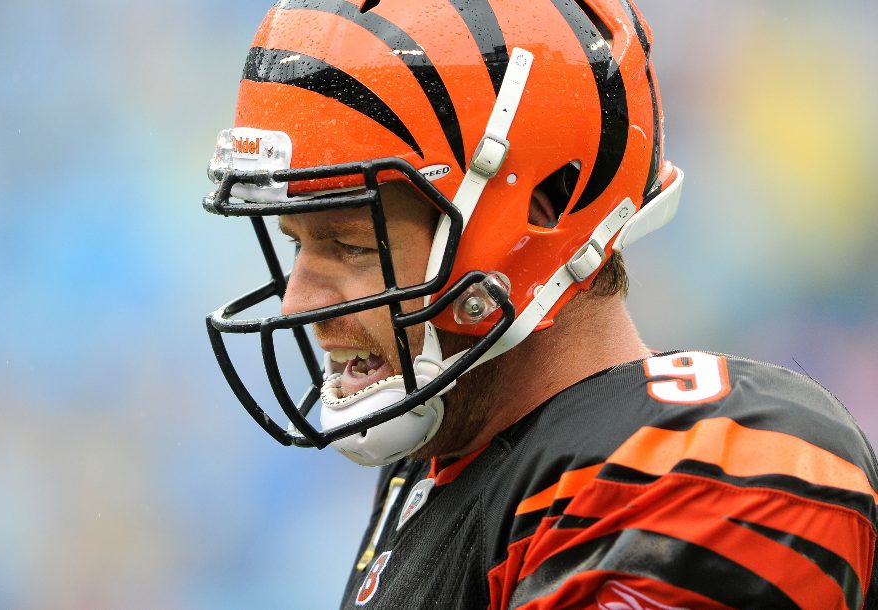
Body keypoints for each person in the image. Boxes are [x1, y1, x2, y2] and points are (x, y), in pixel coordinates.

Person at [202, 0, 878, 607]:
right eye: (298, 245)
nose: (300, 300)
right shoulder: (434, 473)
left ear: (540, 208)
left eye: (350, 245)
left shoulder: (707, 467)